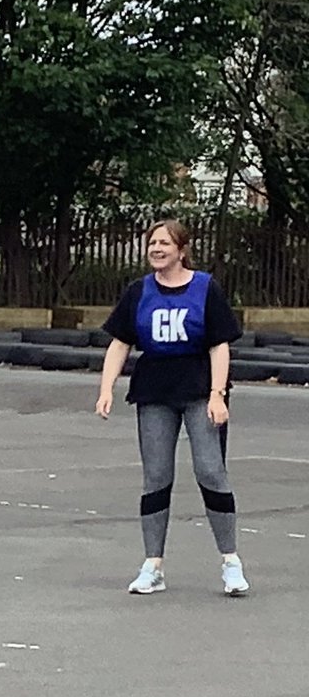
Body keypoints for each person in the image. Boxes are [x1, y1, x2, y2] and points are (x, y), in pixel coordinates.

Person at [96, 218, 248, 597]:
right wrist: (106, 388)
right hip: (154, 388)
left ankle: (230, 562)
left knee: (210, 470)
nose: (157, 249)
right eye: (152, 243)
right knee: (156, 475)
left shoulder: (205, 288)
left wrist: (217, 393)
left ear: (182, 250)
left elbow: (219, 345)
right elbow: (120, 343)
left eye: (164, 243)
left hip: (198, 386)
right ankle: (153, 566)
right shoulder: (139, 291)